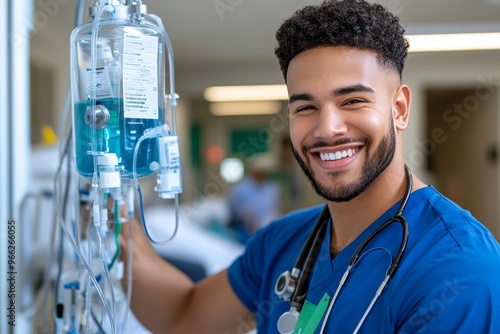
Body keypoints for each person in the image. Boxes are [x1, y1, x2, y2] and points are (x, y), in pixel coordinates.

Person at [119, 1, 500, 333]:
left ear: (398, 109)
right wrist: (117, 223)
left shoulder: (459, 269)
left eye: (352, 101)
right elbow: (184, 317)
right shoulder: (282, 242)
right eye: (306, 107)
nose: (326, 128)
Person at [227, 153, 280, 243]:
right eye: (260, 172)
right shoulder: (241, 188)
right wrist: (247, 216)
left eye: (264, 172)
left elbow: (273, 209)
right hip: (242, 231)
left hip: (265, 231)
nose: (262, 175)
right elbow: (233, 209)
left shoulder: (271, 188)